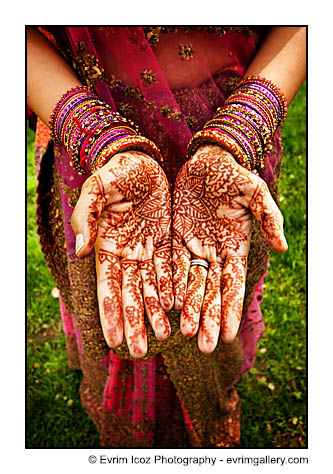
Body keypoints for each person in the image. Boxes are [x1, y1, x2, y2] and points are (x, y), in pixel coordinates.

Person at [27, 26, 306, 447]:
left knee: (211, 307)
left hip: (228, 120)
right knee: (118, 306)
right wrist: (99, 137)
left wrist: (242, 129)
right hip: (92, 144)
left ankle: (206, 411)